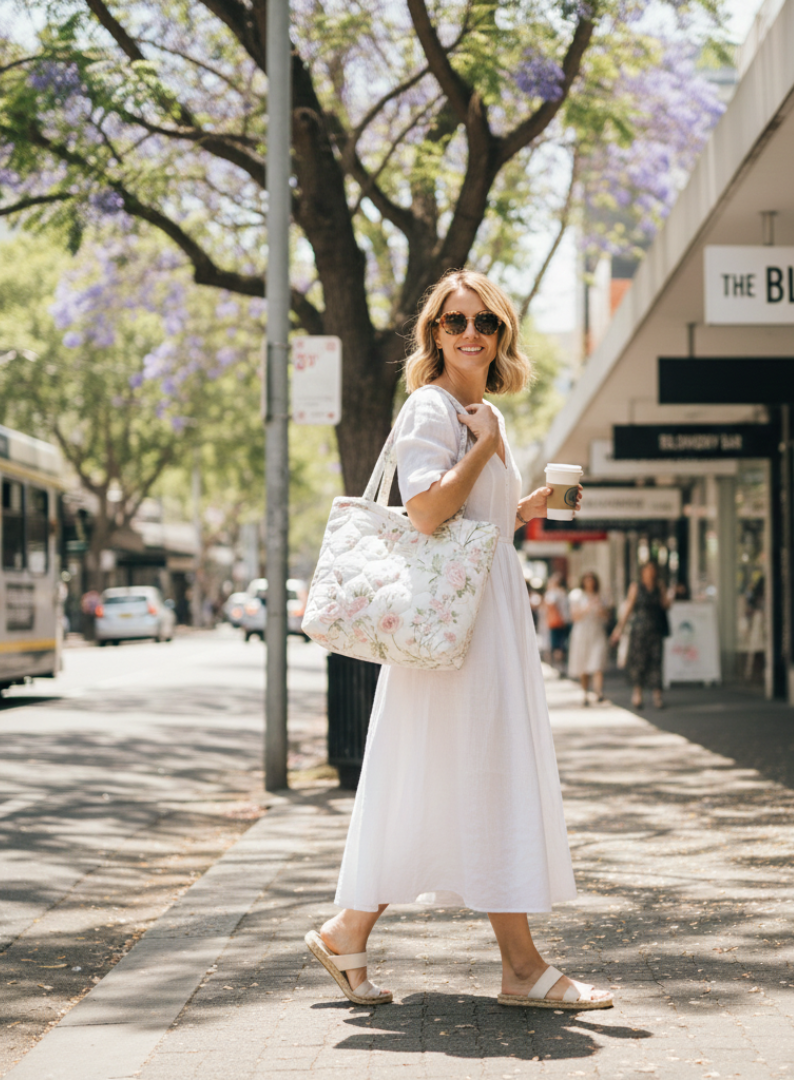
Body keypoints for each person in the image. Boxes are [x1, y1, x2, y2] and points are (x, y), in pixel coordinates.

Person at [305, 269, 611, 1011]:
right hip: (460, 638)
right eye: (454, 322)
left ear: (502, 335)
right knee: (481, 773)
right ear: (434, 334)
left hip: (479, 624)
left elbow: (472, 530)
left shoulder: (472, 411)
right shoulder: (434, 408)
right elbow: (424, 515)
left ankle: (351, 932)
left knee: (449, 778)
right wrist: (489, 447)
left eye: (486, 323)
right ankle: (519, 966)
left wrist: (525, 501)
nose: (471, 333)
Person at [610, 559, 670, 709]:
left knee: (656, 662)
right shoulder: (636, 587)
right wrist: (619, 629)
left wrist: (669, 594)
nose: (651, 572)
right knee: (639, 663)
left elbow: (666, 605)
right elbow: (629, 608)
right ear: (643, 572)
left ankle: (657, 696)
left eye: (653, 569)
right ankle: (638, 694)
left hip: (656, 630)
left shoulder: (659, 586)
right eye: (648, 569)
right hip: (639, 630)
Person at [567, 572, 609, 705]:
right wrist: (587, 608)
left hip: (596, 632)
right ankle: (585, 693)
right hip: (582, 633)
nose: (590, 582)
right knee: (583, 665)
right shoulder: (577, 596)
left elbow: (606, 617)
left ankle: (598, 692)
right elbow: (574, 616)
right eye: (587, 580)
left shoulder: (601, 596)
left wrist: (600, 609)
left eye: (592, 580)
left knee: (597, 663)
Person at [544, 572, 571, 668]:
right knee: (562, 643)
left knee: (556, 645)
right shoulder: (563, 592)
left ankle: (558, 666)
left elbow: (550, 605)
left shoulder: (552, 593)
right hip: (565, 620)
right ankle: (561, 664)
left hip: (556, 622)